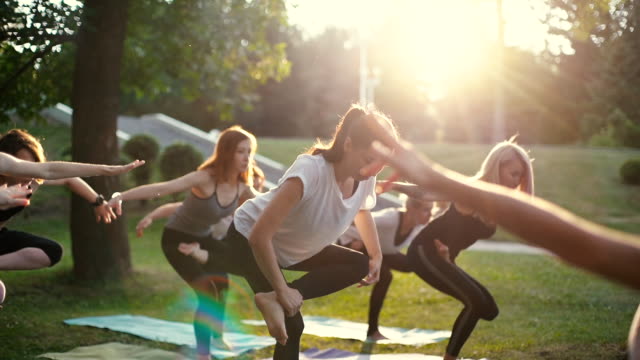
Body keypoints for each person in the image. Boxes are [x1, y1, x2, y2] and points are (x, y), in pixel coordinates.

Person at [360, 115, 640, 360]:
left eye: (520, 176)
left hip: (443, 257)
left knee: (489, 309)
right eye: (513, 173)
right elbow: (428, 193)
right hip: (424, 252)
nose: (516, 181)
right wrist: (390, 185)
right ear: (498, 166)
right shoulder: (476, 190)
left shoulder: (498, 204)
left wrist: (450, 258)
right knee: (477, 303)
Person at [178, 105, 394, 360]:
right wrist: (281, 289)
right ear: (348, 144)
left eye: (383, 162)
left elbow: (362, 209)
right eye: (370, 159)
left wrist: (376, 254)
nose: (375, 169)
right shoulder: (311, 170)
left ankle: (273, 298)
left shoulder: (365, 176)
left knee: (360, 263)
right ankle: (273, 298)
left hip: (297, 248)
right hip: (249, 239)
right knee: (293, 325)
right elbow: (260, 236)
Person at [108, 126, 258, 360]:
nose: (247, 157)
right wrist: (121, 196)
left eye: (250, 151)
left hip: (204, 239)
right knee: (208, 292)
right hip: (176, 239)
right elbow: (164, 188)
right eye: (241, 151)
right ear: (227, 152)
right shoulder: (204, 178)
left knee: (224, 285)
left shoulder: (243, 187)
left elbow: (269, 206)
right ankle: (203, 355)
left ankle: (217, 335)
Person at [0, 129, 144, 271]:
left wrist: (98, 199)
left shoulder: (31, 183)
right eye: (25, 167)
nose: (29, 174)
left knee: (51, 250)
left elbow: (65, 177)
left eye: (33, 166)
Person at [337, 194, 433, 340]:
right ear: (411, 208)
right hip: (350, 246)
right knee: (385, 277)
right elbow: (354, 219)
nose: (430, 215)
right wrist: (352, 242)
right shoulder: (389, 219)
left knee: (413, 263)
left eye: (431, 210)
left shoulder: (417, 226)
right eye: (426, 210)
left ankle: (373, 331)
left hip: (381, 253)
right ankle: (373, 331)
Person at [135, 163, 266, 239]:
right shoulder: (221, 205)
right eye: (251, 184)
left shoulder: (256, 212)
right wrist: (150, 217)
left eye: (257, 186)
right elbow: (175, 207)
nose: (253, 189)